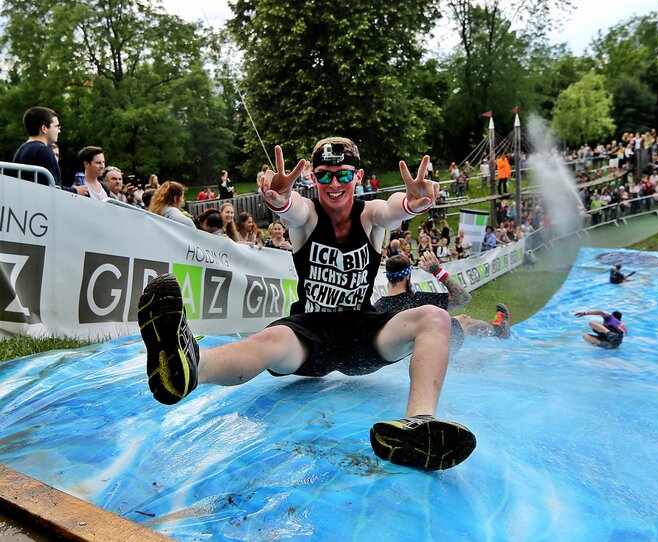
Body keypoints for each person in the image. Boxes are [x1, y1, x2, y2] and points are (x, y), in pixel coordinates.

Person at [137, 139, 476, 471]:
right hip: (309, 334)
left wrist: (413, 204)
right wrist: (280, 200)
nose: (334, 184)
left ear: (358, 177)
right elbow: (294, 209)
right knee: (267, 342)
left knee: (435, 317)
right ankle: (189, 367)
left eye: (343, 175)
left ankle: (419, 425)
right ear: (313, 179)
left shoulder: (369, 214)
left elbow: (391, 210)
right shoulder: (309, 215)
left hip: (364, 334)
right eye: (324, 175)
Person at [374, 253, 510, 353]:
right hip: (432, 354)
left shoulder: (377, 306)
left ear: (387, 276)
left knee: (455, 320)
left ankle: (498, 330)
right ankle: (500, 330)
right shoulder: (418, 301)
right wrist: (438, 271)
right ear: (408, 275)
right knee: (465, 320)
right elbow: (463, 298)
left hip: (400, 356)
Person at [9, 106, 87, 194]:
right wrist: (76, 191)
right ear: (44, 128)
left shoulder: (21, 149)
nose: (59, 131)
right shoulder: (43, 150)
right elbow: (53, 189)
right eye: (56, 126)